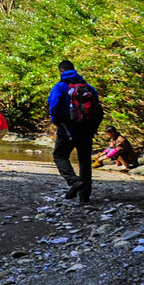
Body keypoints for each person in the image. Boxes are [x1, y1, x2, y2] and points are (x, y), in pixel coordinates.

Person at [49, 60, 104, 202]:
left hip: (67, 129)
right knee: (84, 162)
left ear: (61, 71)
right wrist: (94, 128)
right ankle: (85, 196)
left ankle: (75, 182)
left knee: (60, 156)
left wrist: (56, 121)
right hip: (87, 130)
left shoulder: (60, 86)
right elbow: (99, 109)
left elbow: (54, 105)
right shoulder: (88, 87)